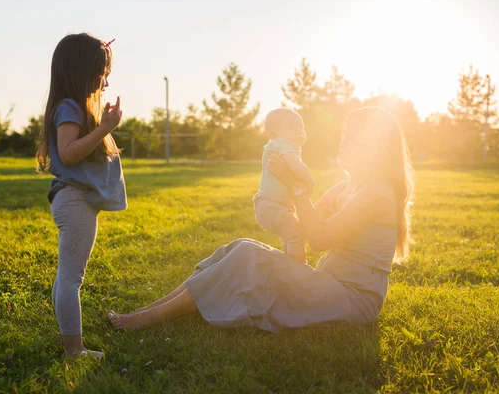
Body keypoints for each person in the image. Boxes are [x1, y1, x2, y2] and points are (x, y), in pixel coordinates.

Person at [108, 107, 414, 333]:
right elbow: (305, 224)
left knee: (248, 255)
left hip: (351, 299)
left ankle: (152, 318)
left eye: (352, 139)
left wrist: (295, 186)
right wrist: (277, 193)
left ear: (374, 149)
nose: (342, 144)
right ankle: (152, 309)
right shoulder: (345, 187)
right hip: (328, 285)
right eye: (344, 136)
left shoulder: (377, 193)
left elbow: (320, 238)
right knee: (240, 246)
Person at [36, 33, 125, 358]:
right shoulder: (70, 108)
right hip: (74, 201)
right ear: (80, 72)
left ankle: (71, 343)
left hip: (74, 200)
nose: (105, 82)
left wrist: (101, 126)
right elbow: (69, 153)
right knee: (72, 279)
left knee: (67, 277)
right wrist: (105, 129)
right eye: (101, 74)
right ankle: (74, 350)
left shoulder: (70, 107)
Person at [253, 108, 314, 264]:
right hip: (273, 205)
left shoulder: (283, 145)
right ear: (273, 134)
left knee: (289, 235)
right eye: (290, 127)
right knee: (295, 234)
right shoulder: (281, 144)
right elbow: (296, 166)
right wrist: (309, 180)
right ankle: (299, 269)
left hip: (271, 204)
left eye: (301, 127)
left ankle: (289, 264)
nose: (298, 131)